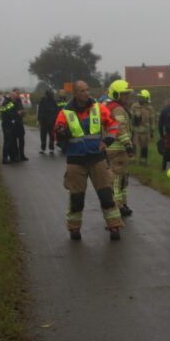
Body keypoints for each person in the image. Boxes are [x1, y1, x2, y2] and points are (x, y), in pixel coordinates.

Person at [54, 80, 124, 240]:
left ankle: (114, 226)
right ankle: (74, 228)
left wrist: (107, 141)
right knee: (76, 198)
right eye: (82, 91)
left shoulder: (98, 108)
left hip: (97, 159)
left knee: (106, 195)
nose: (86, 93)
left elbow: (113, 125)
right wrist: (61, 134)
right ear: (75, 94)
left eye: (87, 90)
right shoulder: (65, 113)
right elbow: (57, 135)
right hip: (76, 161)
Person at [102, 80, 136, 218]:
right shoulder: (118, 109)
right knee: (117, 180)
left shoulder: (108, 106)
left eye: (128, 95)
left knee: (122, 179)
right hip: (118, 149)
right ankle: (118, 206)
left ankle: (123, 204)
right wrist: (128, 145)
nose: (127, 98)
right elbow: (121, 129)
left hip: (112, 149)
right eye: (124, 95)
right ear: (116, 94)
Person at [131, 89, 155, 165]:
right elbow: (130, 118)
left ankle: (143, 160)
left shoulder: (150, 108)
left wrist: (152, 132)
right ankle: (132, 159)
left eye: (142, 97)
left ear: (146, 98)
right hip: (135, 130)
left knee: (144, 146)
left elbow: (152, 120)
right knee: (133, 145)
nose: (140, 98)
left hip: (145, 131)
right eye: (139, 97)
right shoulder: (134, 106)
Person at [37, 89, 60, 154]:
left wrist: (55, 120)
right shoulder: (42, 100)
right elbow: (40, 110)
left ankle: (51, 148)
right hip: (44, 121)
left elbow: (56, 111)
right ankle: (43, 148)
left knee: (51, 136)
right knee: (43, 135)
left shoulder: (54, 101)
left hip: (51, 122)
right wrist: (39, 119)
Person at [0, 92, 20, 164]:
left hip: (10, 124)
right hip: (7, 125)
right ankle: (5, 158)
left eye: (16, 98)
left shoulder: (10, 102)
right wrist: (17, 113)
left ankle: (13, 157)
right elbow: (10, 113)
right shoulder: (7, 103)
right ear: (11, 96)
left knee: (13, 141)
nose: (15, 99)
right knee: (7, 142)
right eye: (14, 97)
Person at [157, 98, 170, 171]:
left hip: (167, 133)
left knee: (167, 151)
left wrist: (162, 136)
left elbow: (160, 125)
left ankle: (164, 168)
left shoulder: (164, 111)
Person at [11, 89, 28, 161]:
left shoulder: (19, 101)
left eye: (19, 94)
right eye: (17, 94)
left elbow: (22, 110)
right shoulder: (11, 102)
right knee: (14, 141)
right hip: (14, 124)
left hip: (20, 123)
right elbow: (10, 112)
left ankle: (22, 155)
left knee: (22, 140)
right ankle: (16, 156)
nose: (18, 95)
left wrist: (23, 112)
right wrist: (17, 113)